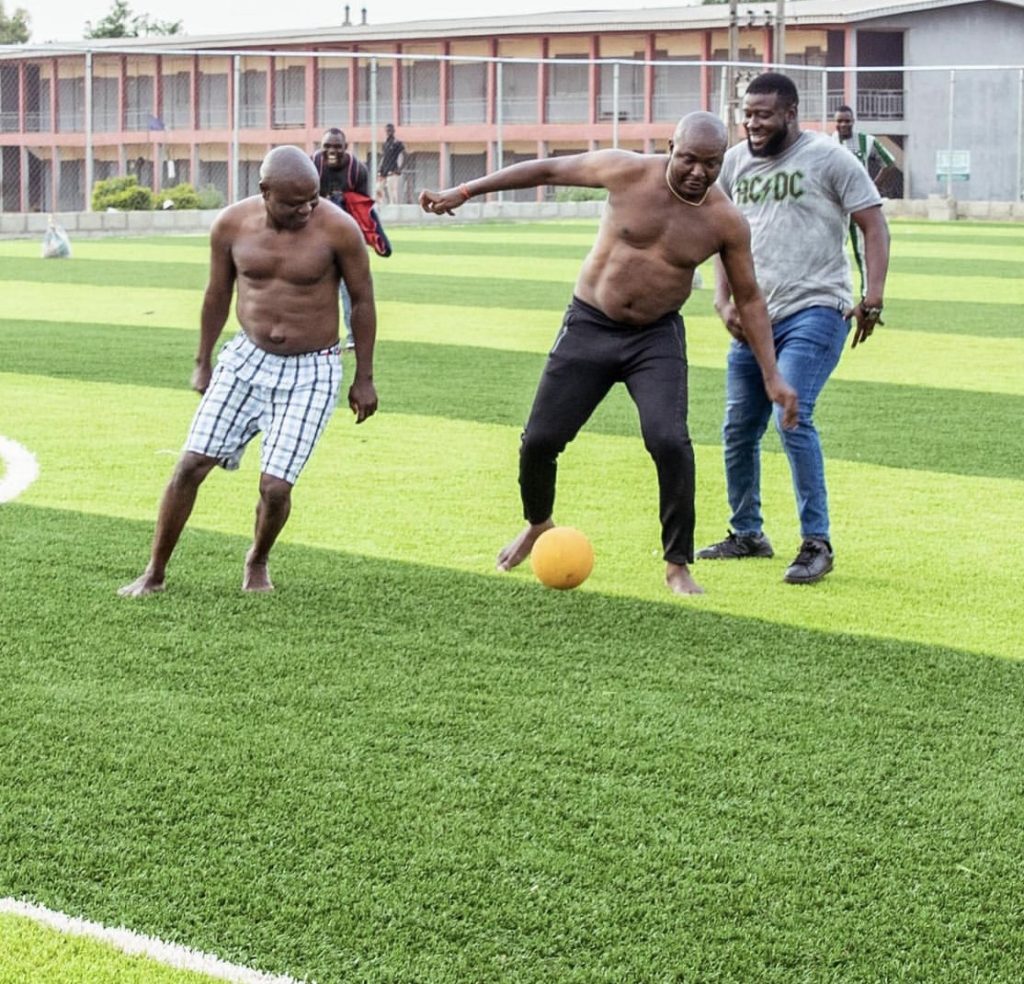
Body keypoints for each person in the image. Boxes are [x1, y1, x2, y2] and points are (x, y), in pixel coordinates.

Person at [419, 112, 798, 596]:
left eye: (711, 163)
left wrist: (772, 375)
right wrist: (465, 192)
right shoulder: (624, 171)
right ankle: (538, 523)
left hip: (655, 339)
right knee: (539, 440)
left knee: (669, 442)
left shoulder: (725, 221)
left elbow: (749, 298)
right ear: (669, 147)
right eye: (688, 159)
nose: (698, 172)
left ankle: (677, 563)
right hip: (590, 326)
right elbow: (547, 170)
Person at [119, 146, 378, 597]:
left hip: (311, 370)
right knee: (190, 464)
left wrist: (365, 376)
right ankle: (154, 572)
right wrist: (202, 361)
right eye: (295, 202)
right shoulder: (231, 225)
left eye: (313, 198)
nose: (307, 208)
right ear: (265, 192)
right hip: (246, 359)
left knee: (275, 487)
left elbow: (362, 300)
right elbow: (216, 293)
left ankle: (257, 559)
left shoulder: (339, 230)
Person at [698, 73, 890, 584]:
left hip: (817, 308)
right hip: (755, 320)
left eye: (763, 114)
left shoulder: (830, 158)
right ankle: (748, 533)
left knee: (794, 414)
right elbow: (721, 236)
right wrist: (722, 300)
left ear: (790, 113)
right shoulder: (734, 163)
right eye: (747, 113)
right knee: (738, 428)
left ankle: (816, 542)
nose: (752, 122)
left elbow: (873, 222)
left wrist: (872, 296)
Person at [313, 127, 370, 350]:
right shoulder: (312, 166)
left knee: (350, 288)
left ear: (345, 147)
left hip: (347, 236)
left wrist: (362, 241)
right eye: (327, 146)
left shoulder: (357, 170)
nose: (331, 151)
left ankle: (353, 337)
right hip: (317, 235)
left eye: (337, 146)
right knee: (316, 288)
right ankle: (319, 336)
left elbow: (363, 208)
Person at [832, 104, 898, 294]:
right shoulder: (828, 143)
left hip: (861, 206)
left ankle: (868, 296)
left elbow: (889, 163)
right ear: (834, 123)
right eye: (839, 121)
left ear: (853, 121)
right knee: (833, 252)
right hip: (837, 208)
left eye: (847, 121)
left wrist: (872, 186)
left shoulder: (866, 141)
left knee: (864, 252)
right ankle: (834, 295)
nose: (843, 125)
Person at [376, 123, 406, 205]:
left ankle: (393, 209)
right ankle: (380, 206)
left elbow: (404, 155)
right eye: (387, 130)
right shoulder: (385, 144)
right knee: (378, 188)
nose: (388, 132)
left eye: (390, 130)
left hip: (392, 170)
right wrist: (380, 169)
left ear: (393, 131)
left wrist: (399, 169)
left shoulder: (397, 143)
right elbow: (383, 157)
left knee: (391, 190)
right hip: (383, 171)